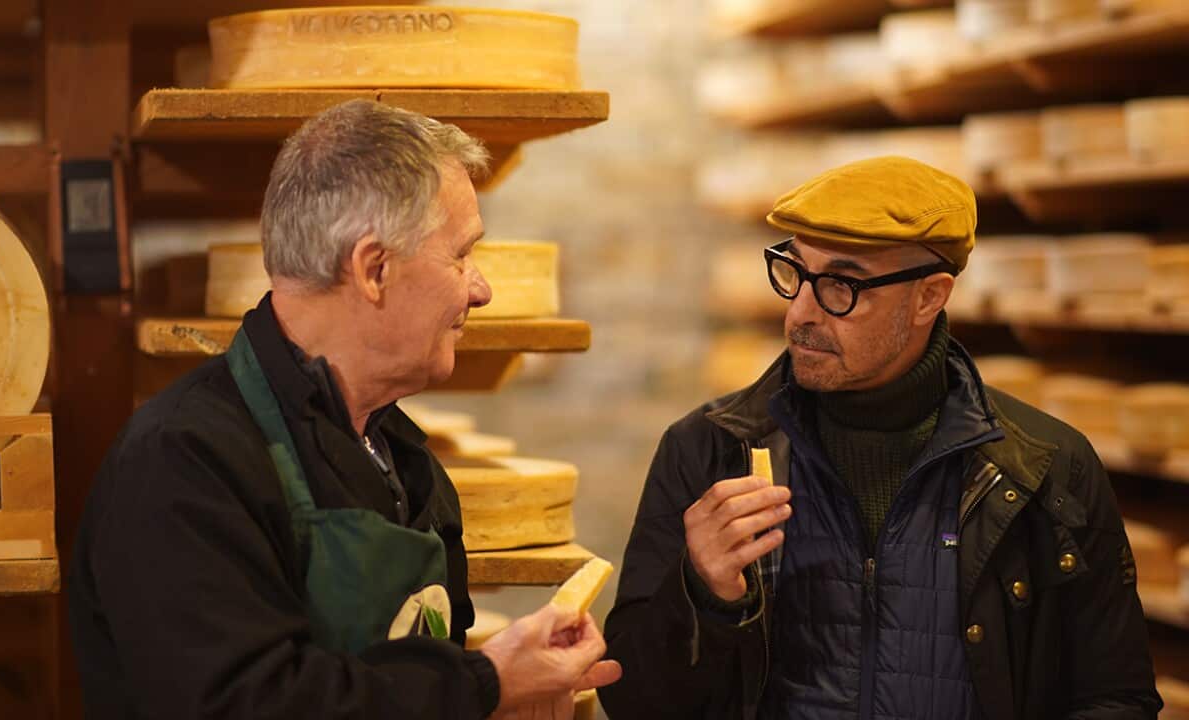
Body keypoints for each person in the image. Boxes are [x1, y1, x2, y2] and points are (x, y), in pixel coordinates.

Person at [68, 99, 620, 720]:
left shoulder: (409, 466)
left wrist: (507, 701)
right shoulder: (184, 462)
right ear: (374, 270)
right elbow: (247, 704)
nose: (481, 288)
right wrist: (482, 685)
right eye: (461, 254)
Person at [600, 156, 1161, 719]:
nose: (801, 313)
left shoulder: (1045, 467)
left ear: (929, 297)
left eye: (841, 285)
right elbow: (631, 700)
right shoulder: (709, 450)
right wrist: (700, 596)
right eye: (793, 272)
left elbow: (1116, 698)